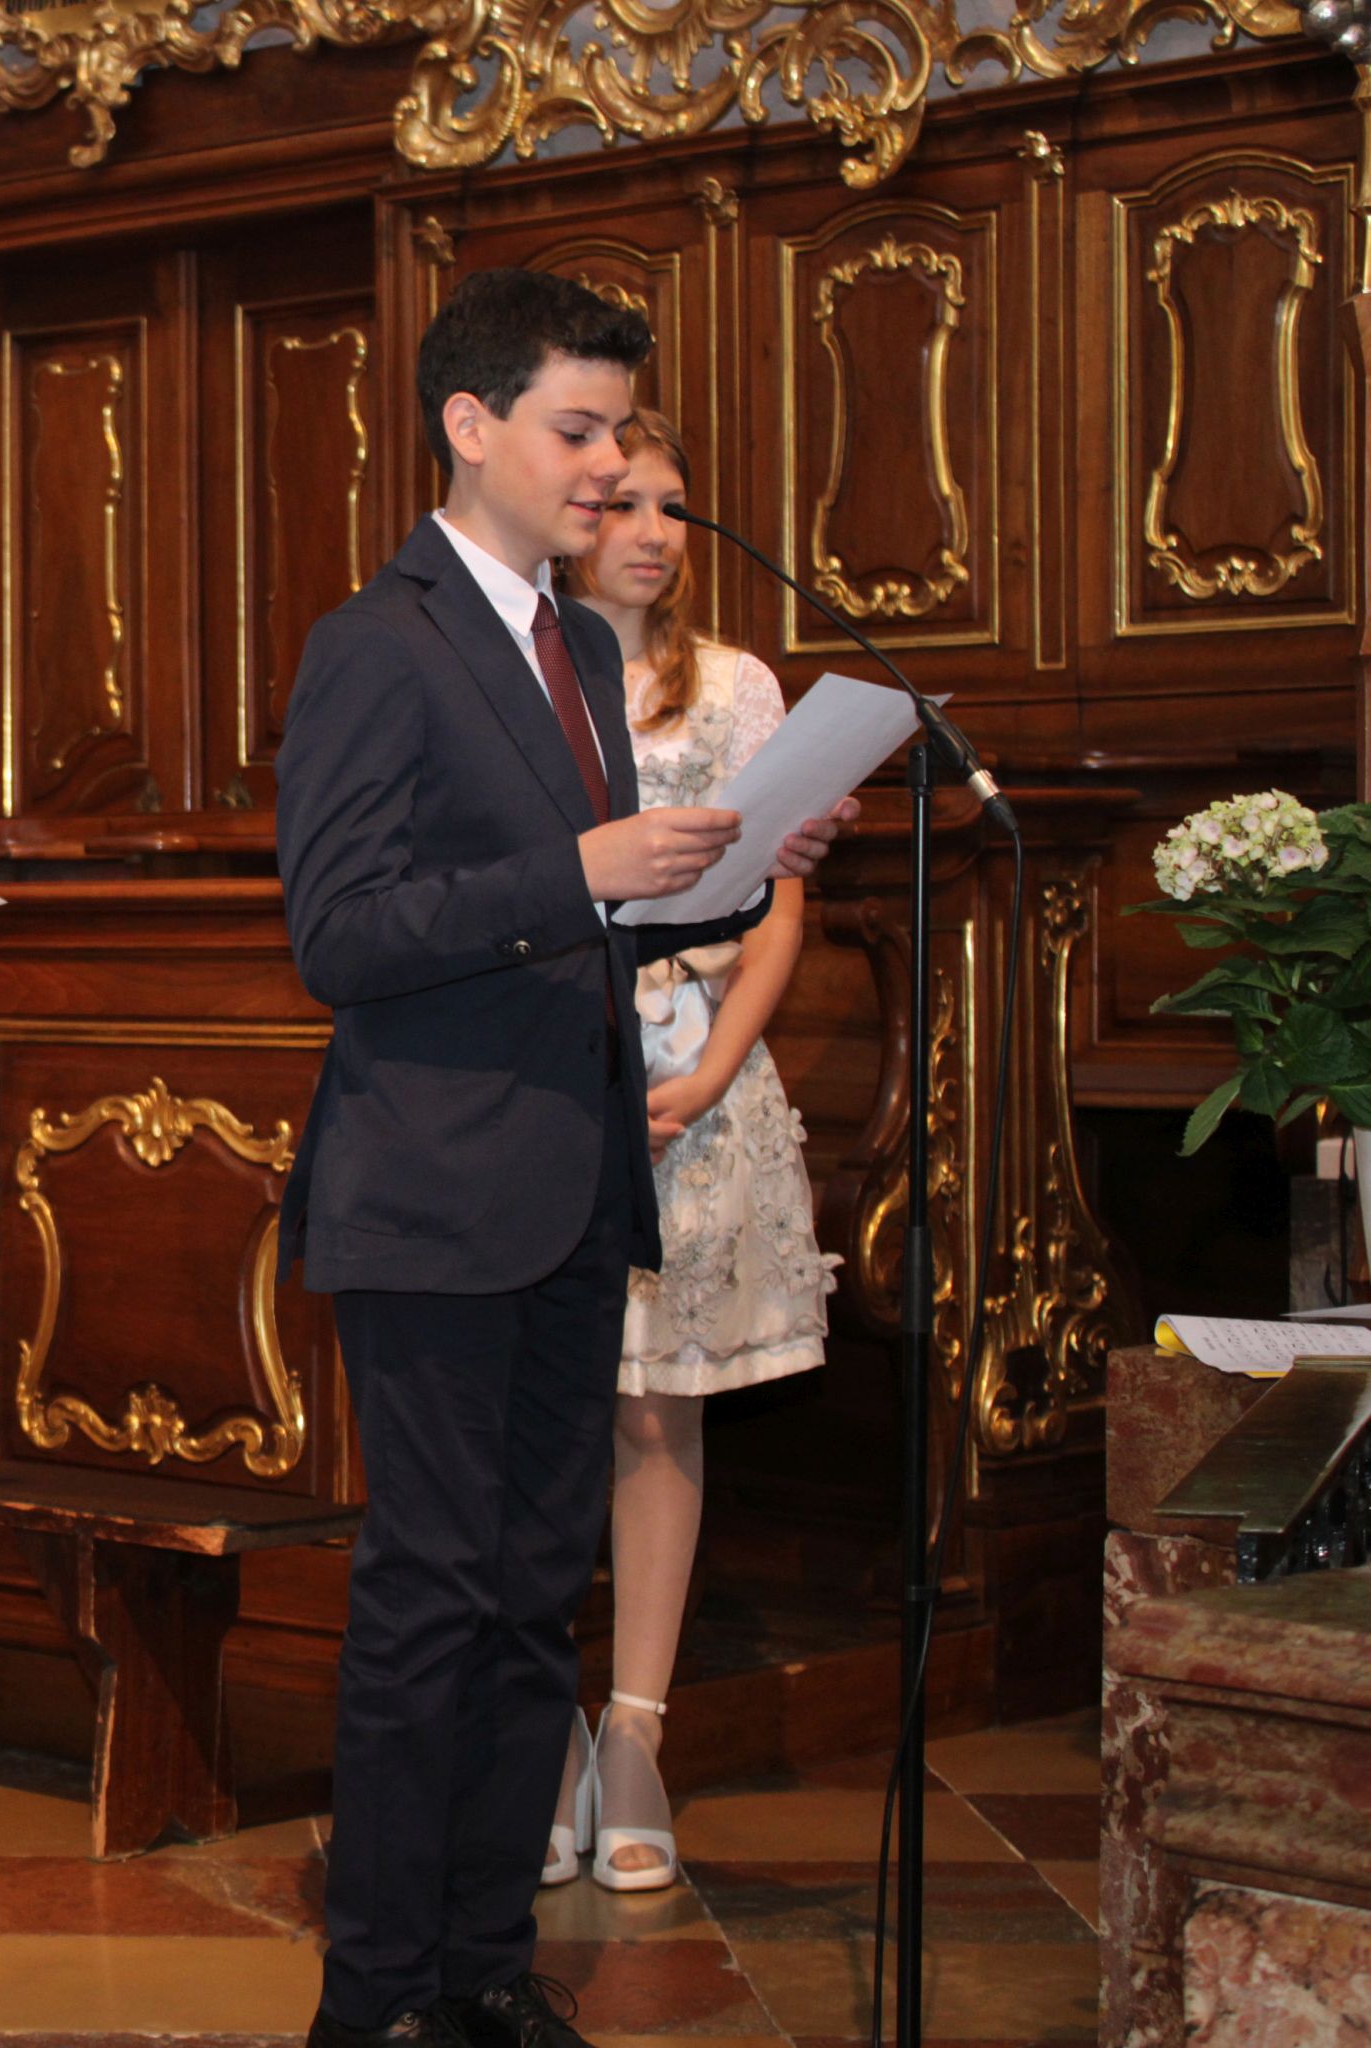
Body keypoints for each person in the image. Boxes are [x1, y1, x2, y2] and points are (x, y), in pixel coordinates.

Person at [273, 268, 852, 2048]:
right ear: (470, 427)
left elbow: (610, 913)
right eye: (576, 430)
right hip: (431, 1190)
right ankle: (377, 1998)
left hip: (574, 1177)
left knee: (535, 1597)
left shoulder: (578, 647)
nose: (606, 467)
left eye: (616, 432)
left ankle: (480, 1970)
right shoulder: (376, 642)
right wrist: (581, 872)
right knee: (430, 1600)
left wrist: (741, 867)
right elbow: (338, 932)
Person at [542, 410, 834, 1894]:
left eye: (672, 503)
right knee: (547, 1406)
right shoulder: (521, 670)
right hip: (551, 1068)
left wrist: (714, 1070)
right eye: (621, 503)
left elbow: (778, 897)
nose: (652, 531)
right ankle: (538, 1724)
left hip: (696, 1077)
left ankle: (638, 1725)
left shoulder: (734, 685)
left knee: (658, 1411)